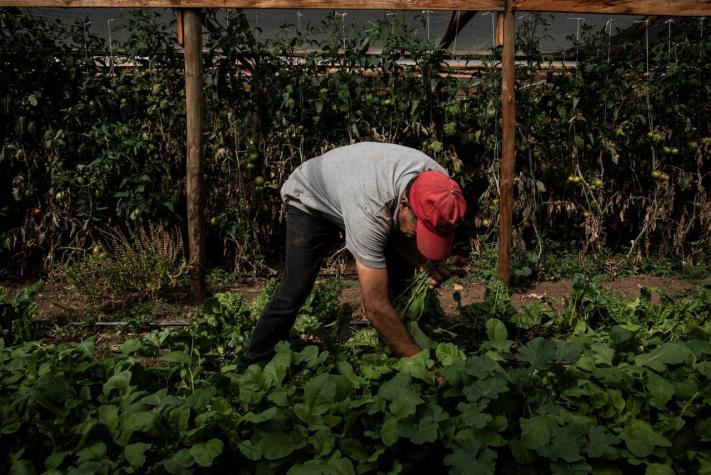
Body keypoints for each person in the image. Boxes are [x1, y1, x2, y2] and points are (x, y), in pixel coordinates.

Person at [241, 142, 467, 367]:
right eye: (422, 230)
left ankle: (391, 355)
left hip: (364, 191)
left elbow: (407, 230)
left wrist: (424, 263)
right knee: (295, 289)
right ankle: (255, 362)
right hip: (312, 198)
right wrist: (423, 366)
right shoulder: (371, 210)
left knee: (401, 282)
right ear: (405, 204)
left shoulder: (442, 189)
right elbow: (374, 307)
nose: (419, 237)